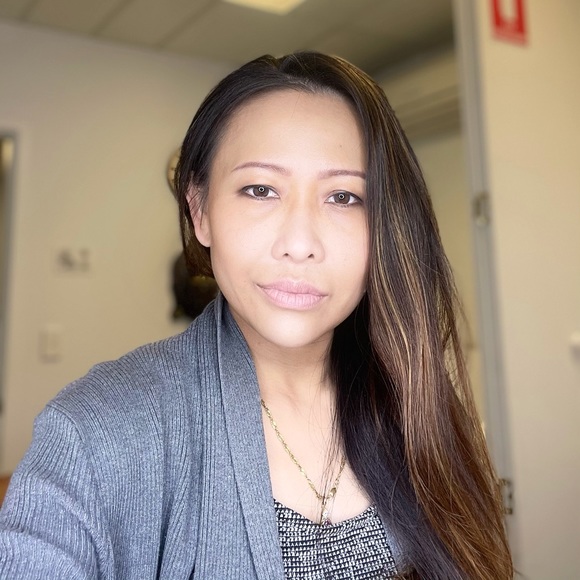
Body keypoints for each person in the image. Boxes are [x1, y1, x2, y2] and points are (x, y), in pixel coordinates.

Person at [0, 52, 513, 579]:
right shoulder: (96, 432)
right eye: (260, 190)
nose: (300, 243)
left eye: (343, 196)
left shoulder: (419, 409)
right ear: (200, 210)